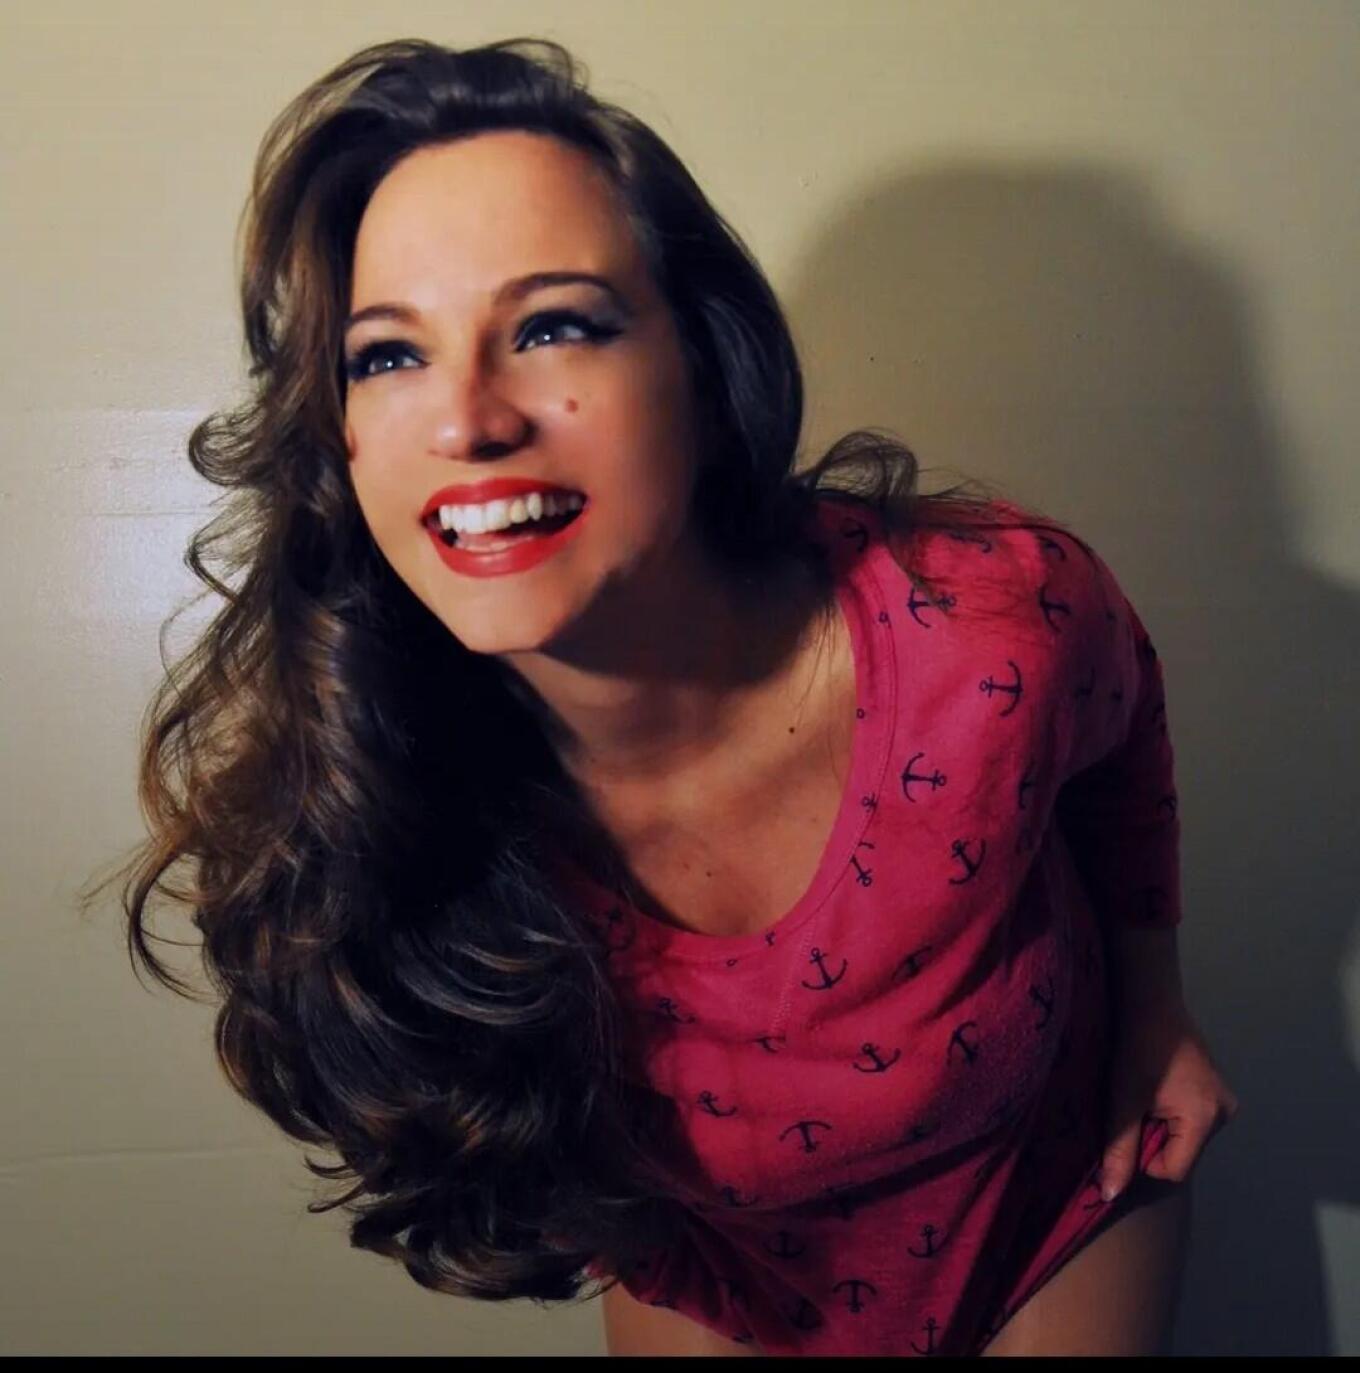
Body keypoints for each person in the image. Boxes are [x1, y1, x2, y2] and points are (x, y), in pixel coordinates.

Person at [85, 36, 1239, 1356]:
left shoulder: (990, 625)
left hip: (1055, 1202)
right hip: (724, 1276)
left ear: (699, 361)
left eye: (553, 326)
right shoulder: (365, 807)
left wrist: (1156, 1003)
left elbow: (1122, 744)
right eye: (388, 355)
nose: (467, 421)